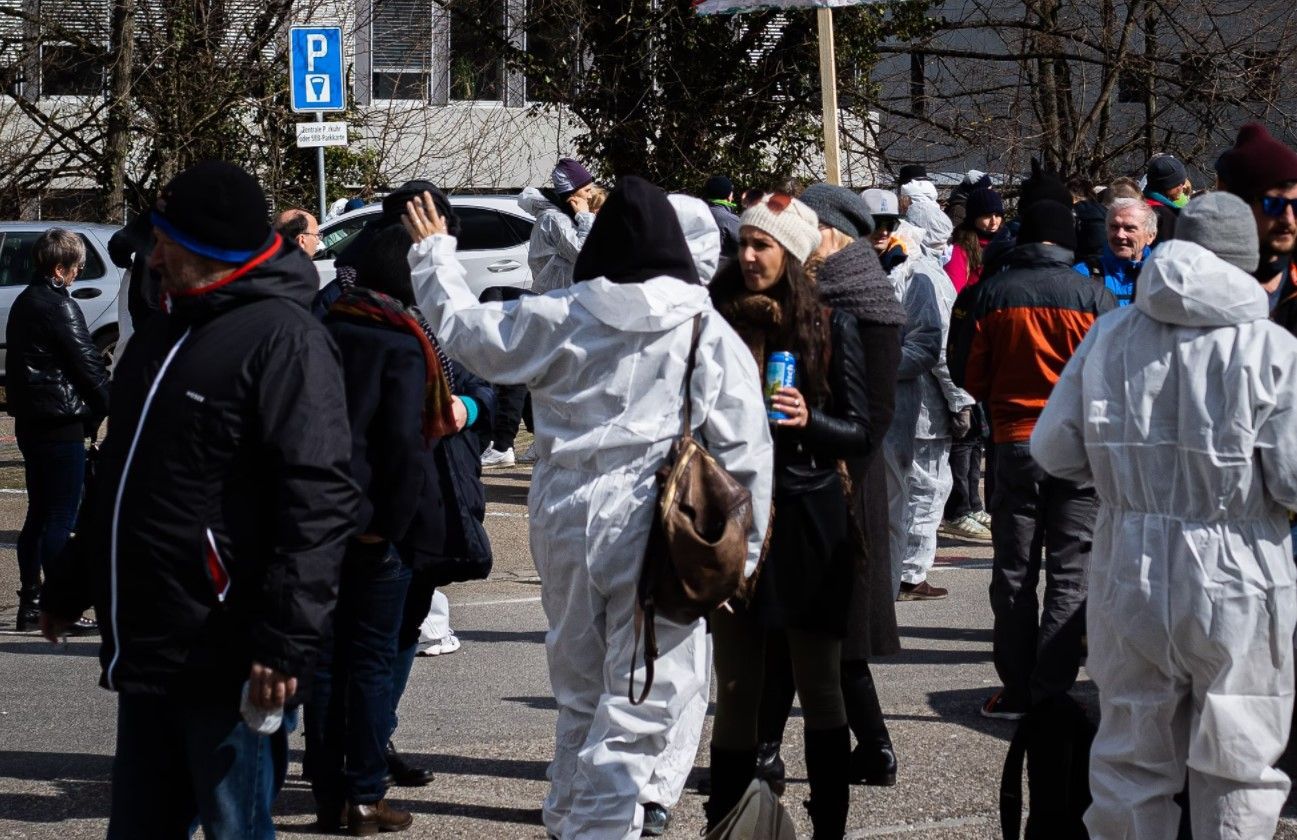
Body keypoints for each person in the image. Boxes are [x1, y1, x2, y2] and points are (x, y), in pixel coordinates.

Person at [404, 177, 773, 840]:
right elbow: (747, 451)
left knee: (577, 682)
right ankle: (599, 824)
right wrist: (737, 560)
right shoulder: (702, 327)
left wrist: (433, 254)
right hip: (657, 520)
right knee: (645, 694)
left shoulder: (561, 312)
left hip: (564, 510)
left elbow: (466, 332)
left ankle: (569, 810)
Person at [38, 161, 359, 839]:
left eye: (165, 243)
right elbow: (121, 475)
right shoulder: (162, 333)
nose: (152, 258)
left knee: (234, 828)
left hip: (228, 650)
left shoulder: (286, 340)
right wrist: (70, 583)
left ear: (210, 250)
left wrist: (284, 641)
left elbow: (318, 503)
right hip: (153, 645)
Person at [1031, 192, 1297, 838]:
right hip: (1239, 574)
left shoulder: (1111, 335)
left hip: (1130, 567)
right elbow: (1290, 478)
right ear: (1245, 258)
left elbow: (1053, 448)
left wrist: (1124, 479)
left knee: (1129, 761)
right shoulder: (1269, 347)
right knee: (1238, 765)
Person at [706, 191, 871, 839]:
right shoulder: (714, 320)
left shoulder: (830, 325)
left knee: (819, 684)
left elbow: (860, 430)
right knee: (737, 687)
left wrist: (810, 419)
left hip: (809, 517)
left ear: (792, 254)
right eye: (744, 243)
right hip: (735, 514)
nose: (748, 256)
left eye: (763, 245)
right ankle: (725, 826)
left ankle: (829, 829)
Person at [308, 222, 459, 835]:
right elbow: (403, 448)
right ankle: (365, 794)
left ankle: (327, 794)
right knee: (370, 663)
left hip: (321, 522)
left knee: (325, 664)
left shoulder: (323, 326)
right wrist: (386, 528)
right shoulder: (399, 339)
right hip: (376, 527)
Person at [947, 199, 1116, 720]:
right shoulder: (1095, 295)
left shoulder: (991, 292)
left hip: (1014, 441)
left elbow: (967, 372)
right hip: (1078, 447)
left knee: (1015, 570)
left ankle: (1017, 688)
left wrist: (1002, 400)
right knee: (1071, 571)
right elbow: (1113, 373)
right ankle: (1052, 690)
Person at [795, 183, 905, 787]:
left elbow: (877, 411)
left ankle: (875, 748)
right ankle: (872, 747)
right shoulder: (813, 289)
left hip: (846, 478)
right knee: (817, 627)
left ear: (833, 232)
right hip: (814, 469)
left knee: (837, 627)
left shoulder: (867, 298)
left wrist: (838, 480)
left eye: (808, 224)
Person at [636, 192, 727, 837]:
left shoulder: (709, 322)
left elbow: (737, 433)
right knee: (651, 656)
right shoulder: (613, 306)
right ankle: (631, 784)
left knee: (681, 656)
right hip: (635, 508)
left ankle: (654, 787)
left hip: (683, 506)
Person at [865, 189, 968, 601]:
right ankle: (905, 573)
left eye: (888, 224)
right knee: (920, 489)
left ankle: (901, 572)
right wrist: (960, 399)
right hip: (907, 405)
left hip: (911, 402)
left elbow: (934, 344)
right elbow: (942, 347)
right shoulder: (917, 272)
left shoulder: (912, 271)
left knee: (913, 489)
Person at [6, 228, 110, 634]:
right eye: (76, 267)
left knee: (38, 512)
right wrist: (110, 403)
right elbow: (87, 362)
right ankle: (57, 604)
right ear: (59, 268)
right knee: (60, 516)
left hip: (32, 420)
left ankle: (31, 602)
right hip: (61, 419)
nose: (78, 273)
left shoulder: (24, 301)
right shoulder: (59, 306)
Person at [1216, 122, 1297, 334]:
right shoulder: (1202, 285)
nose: (1288, 219)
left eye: (1296, 205)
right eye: (1274, 205)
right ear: (1240, 205)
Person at [515, 157, 598, 295]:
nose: (589, 196)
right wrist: (585, 218)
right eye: (586, 190)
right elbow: (583, 255)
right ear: (571, 192)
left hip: (562, 296)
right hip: (556, 299)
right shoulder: (555, 219)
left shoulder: (561, 217)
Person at [1074, 197, 1157, 306]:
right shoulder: (1083, 274)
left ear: (1150, 236)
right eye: (1114, 227)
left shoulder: (1162, 278)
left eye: (1129, 228)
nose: (1120, 235)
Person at [947, 187, 1005, 292]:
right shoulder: (961, 249)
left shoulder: (1008, 242)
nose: (994, 222)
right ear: (973, 218)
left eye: (997, 215)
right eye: (987, 216)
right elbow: (955, 292)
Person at [1144, 154, 1191, 244]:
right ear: (1169, 185)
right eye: (1181, 183)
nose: (1184, 187)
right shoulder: (1166, 216)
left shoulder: (1137, 203)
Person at [703, 175, 741, 261]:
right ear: (728, 195)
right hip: (724, 267)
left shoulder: (699, 213)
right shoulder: (730, 220)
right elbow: (746, 245)